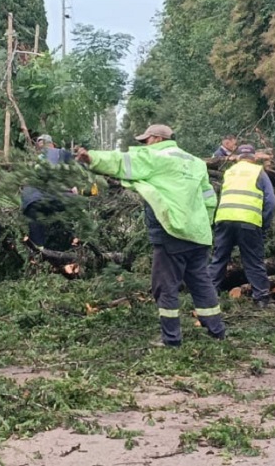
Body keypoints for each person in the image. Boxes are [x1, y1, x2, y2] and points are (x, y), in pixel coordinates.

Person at [76, 124, 225, 346]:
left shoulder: (156, 157)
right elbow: (209, 199)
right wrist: (204, 225)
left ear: (155, 138)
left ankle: (171, 339)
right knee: (201, 281)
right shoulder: (195, 163)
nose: (143, 145)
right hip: (198, 234)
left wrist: (92, 158)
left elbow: (122, 161)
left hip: (172, 231)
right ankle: (217, 331)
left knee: (164, 286)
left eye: (145, 141)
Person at [207, 144, 275, 308]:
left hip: (224, 219)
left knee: (219, 259)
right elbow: (270, 201)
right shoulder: (259, 172)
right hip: (248, 221)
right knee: (253, 261)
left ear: (237, 157)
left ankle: (208, 297)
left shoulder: (229, 172)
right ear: (254, 158)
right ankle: (261, 299)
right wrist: (263, 224)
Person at [21, 134, 74, 247]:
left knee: (37, 243)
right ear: (52, 145)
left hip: (30, 202)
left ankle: (39, 257)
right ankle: (67, 251)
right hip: (55, 197)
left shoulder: (33, 161)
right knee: (66, 224)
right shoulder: (60, 152)